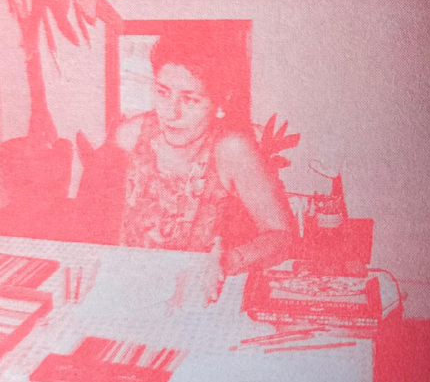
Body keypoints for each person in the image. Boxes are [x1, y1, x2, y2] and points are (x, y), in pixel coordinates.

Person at [89, 28, 295, 304]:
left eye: (190, 99)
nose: (171, 113)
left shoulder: (231, 150)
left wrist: (230, 261)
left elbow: (282, 236)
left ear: (220, 101)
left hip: (198, 296)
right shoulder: (130, 136)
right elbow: (95, 221)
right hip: (130, 295)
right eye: (163, 93)